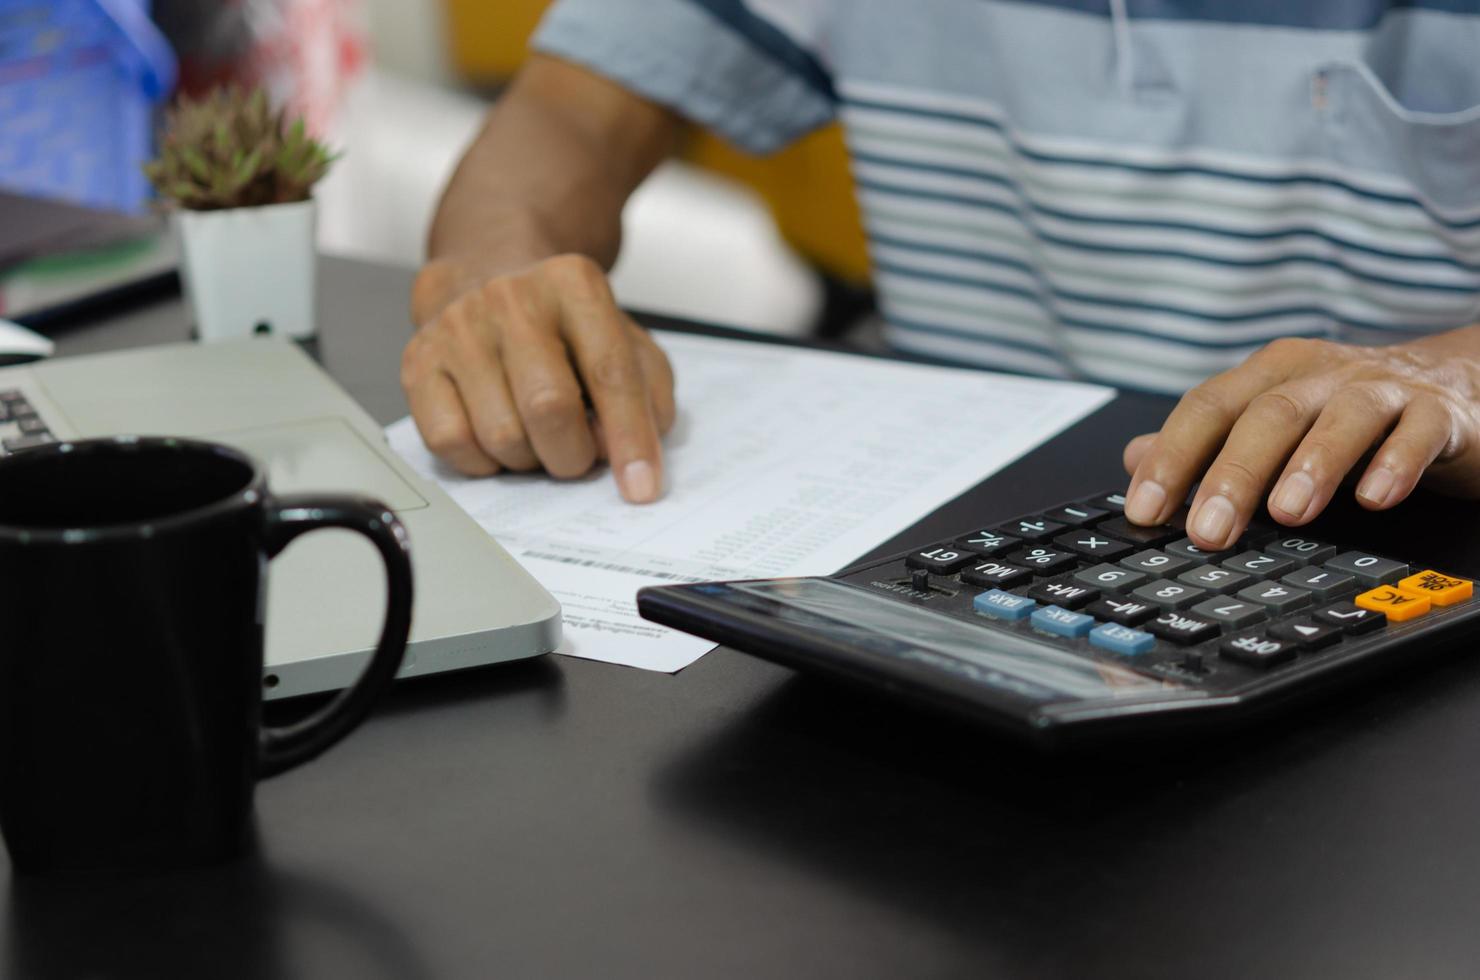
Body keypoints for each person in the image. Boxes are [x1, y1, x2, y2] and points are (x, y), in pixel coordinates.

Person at [401, 0, 1480, 553]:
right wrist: (499, 272)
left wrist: (1448, 381)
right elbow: (566, 111)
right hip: (940, 560)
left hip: (1396, 560)